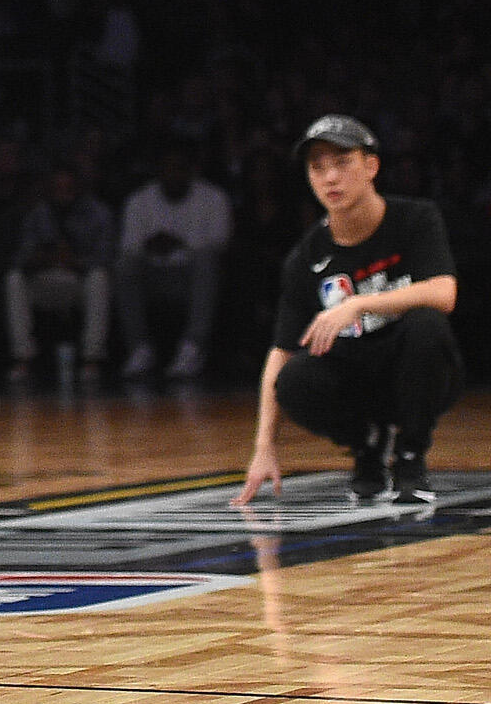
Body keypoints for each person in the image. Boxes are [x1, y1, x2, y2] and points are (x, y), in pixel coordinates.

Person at [236, 117, 463, 509]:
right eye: (317, 168)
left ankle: (410, 457)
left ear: (371, 166)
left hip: (421, 374)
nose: (330, 178)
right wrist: (264, 446)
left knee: (427, 322)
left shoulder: (416, 219)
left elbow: (444, 293)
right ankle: (367, 445)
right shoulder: (306, 257)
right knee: (293, 379)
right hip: (358, 381)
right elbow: (281, 351)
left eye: (342, 163)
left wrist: (358, 303)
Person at [117, 144, 233, 381]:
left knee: (206, 261)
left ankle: (192, 348)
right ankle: (139, 349)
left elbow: (220, 241)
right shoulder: (140, 200)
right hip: (153, 276)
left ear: (191, 170)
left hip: (194, 278)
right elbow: (128, 245)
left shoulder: (213, 198)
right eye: (166, 168)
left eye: (179, 168)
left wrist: (179, 243)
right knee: (125, 265)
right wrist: (149, 245)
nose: (173, 174)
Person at [6, 165, 115, 382]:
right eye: (58, 187)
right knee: (14, 278)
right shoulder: (38, 214)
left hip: (80, 280)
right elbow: (20, 258)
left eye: (69, 187)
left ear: (79, 188)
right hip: (47, 279)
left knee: (99, 278)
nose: (63, 192)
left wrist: (75, 261)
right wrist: (44, 258)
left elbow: (107, 257)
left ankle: (91, 360)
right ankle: (23, 359)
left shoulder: (98, 213)